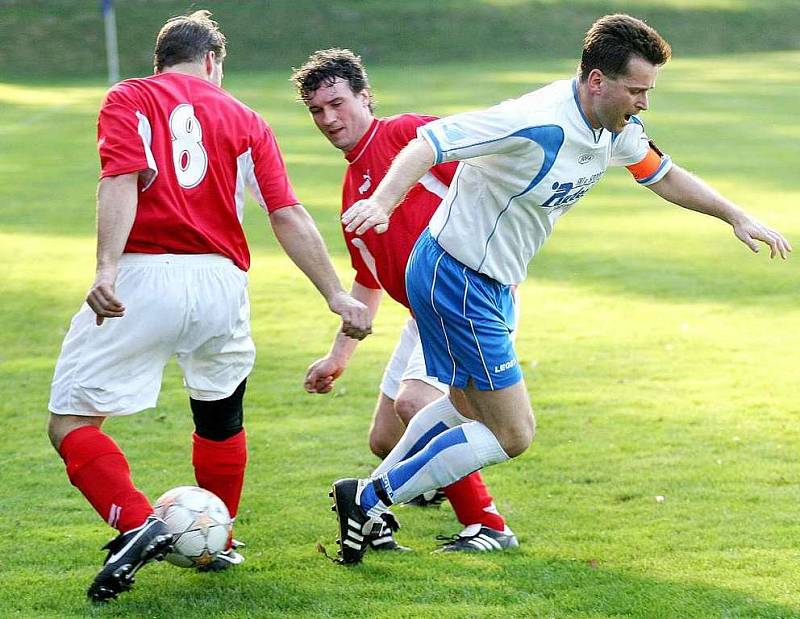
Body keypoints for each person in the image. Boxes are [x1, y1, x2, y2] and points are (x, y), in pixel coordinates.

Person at [328, 13, 792, 564]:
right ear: (597, 81)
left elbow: (662, 172)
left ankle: (366, 494)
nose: (644, 102)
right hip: (458, 277)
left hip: (483, 279)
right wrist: (384, 201)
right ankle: (371, 498)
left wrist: (734, 215)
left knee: (461, 406)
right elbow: (430, 143)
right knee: (512, 432)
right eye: (637, 90)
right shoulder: (537, 121)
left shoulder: (612, 129)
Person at [46, 11, 371, 601]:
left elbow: (120, 177)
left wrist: (105, 270)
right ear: (213, 63)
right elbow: (286, 214)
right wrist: (335, 293)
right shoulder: (246, 118)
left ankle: (138, 525)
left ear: (159, 62)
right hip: (223, 285)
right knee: (220, 415)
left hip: (147, 275)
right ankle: (218, 540)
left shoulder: (131, 96)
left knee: (69, 421)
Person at [292, 49, 518, 555]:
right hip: (423, 316)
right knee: (385, 437)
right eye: (317, 111)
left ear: (365, 96)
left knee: (418, 403)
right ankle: (421, 479)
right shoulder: (353, 189)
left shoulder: (406, 135)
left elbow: (490, 148)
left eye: (337, 103)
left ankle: (486, 524)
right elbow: (368, 284)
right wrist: (338, 357)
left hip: (464, 299)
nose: (329, 119)